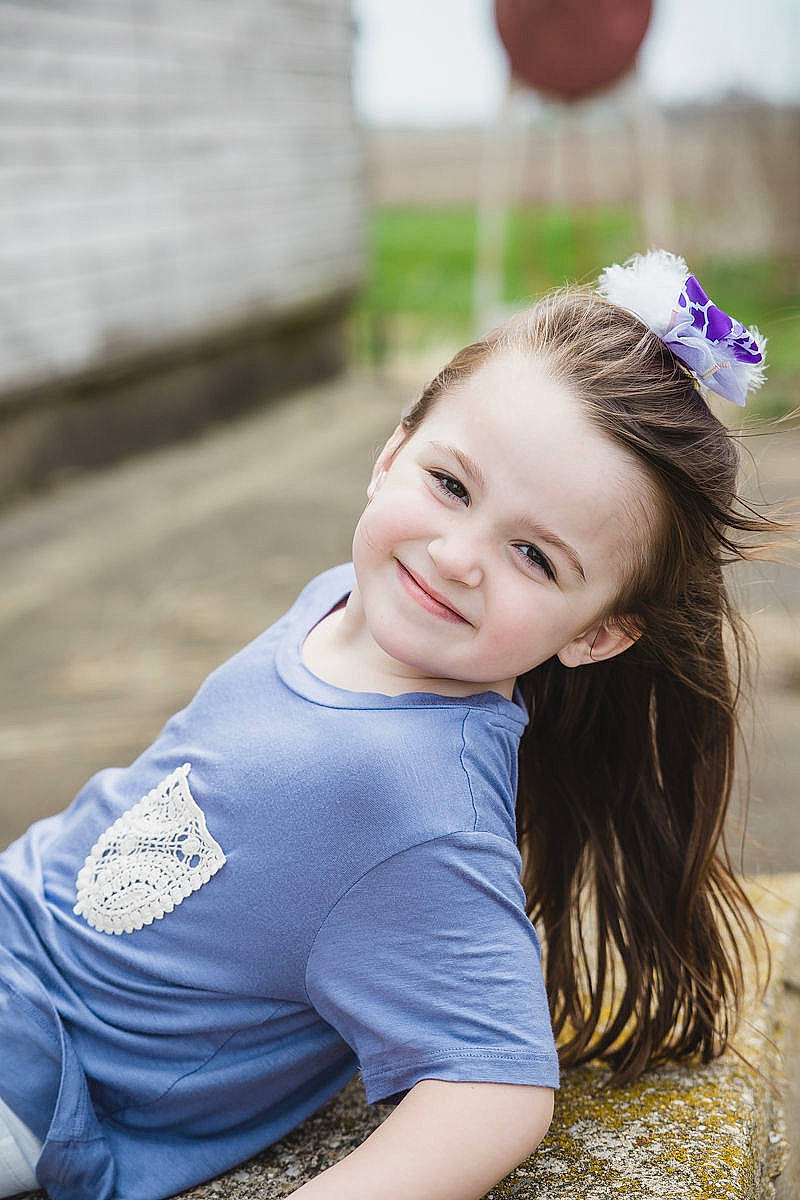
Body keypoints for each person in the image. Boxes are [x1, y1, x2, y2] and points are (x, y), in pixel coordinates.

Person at [0, 251, 786, 1200]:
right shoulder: (344, 605)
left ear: (601, 633)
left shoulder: (415, 798)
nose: (454, 556)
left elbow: (496, 1087)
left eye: (535, 556)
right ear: (392, 450)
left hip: (40, 1062)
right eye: (451, 485)